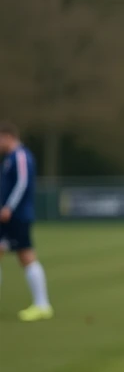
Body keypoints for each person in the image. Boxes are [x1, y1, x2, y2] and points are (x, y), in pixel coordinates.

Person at [0, 123, 52, 322]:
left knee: (26, 255)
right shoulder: (8, 159)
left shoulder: (20, 156)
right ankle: (41, 304)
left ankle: (42, 304)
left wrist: (9, 207)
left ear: (7, 137)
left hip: (17, 216)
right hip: (8, 215)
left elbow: (22, 183)